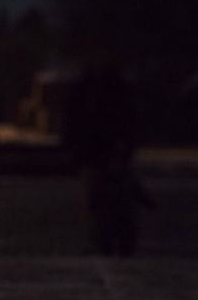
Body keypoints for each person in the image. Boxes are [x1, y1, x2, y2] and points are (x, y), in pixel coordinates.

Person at [63, 64, 152, 256]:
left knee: (111, 198)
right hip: (97, 150)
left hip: (105, 149)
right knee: (101, 199)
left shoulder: (109, 87)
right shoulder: (90, 86)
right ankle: (107, 241)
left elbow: (126, 119)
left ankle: (115, 241)